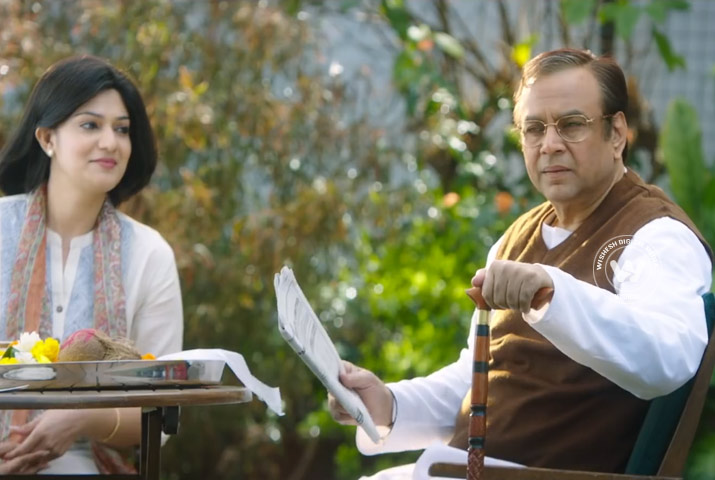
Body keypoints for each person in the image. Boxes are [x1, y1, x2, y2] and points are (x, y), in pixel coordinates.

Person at [328, 48, 713, 479]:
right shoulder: (515, 238)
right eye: (534, 128)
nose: (550, 144)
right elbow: (479, 376)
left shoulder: (657, 235)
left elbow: (667, 357)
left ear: (617, 133)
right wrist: (389, 405)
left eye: (571, 124)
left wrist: (551, 291)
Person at [0, 55, 183, 474]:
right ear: (47, 138)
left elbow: (163, 407)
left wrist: (82, 418)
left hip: (90, 466)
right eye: (90, 125)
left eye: (122, 129)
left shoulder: (149, 254)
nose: (110, 142)